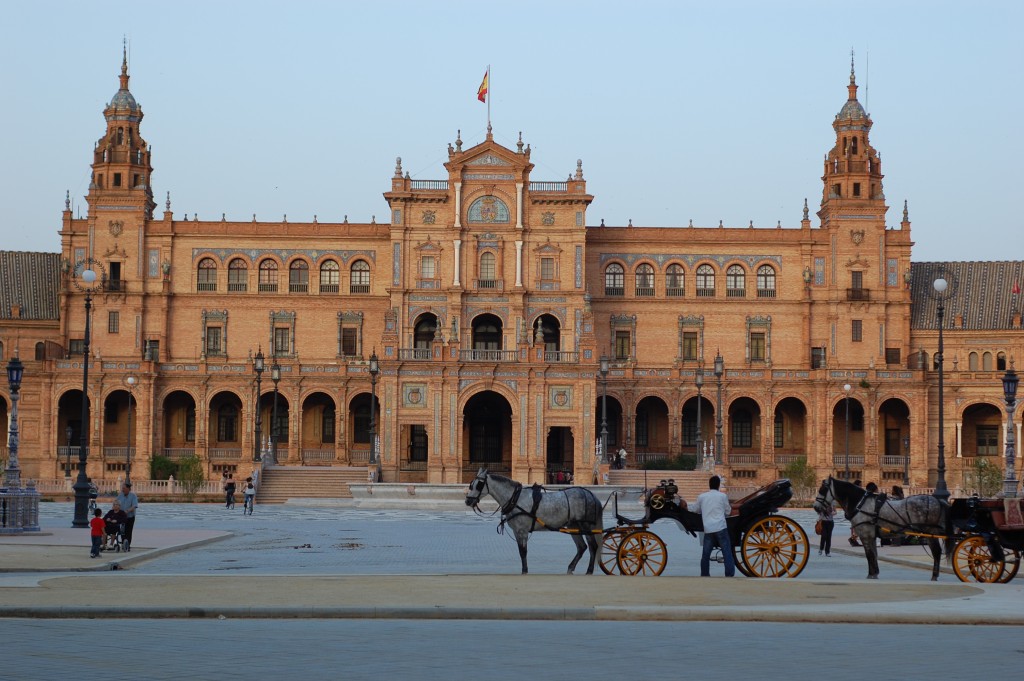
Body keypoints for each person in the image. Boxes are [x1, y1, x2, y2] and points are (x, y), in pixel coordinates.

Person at [691, 475, 735, 577]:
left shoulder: (702, 497)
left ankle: (705, 574)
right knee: (727, 552)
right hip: (721, 527)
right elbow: (728, 512)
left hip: (708, 528)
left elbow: (695, 510)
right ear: (719, 485)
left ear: (709, 485)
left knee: (705, 555)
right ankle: (729, 574)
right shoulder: (722, 496)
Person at [116, 482, 139, 551]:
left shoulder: (133, 496)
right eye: (122, 488)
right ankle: (123, 543)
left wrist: (128, 510)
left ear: (128, 489)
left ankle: (128, 545)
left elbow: (134, 506)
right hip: (122, 517)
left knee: (129, 531)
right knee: (122, 530)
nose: (122, 490)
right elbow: (116, 503)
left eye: (124, 488)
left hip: (130, 516)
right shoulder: (120, 495)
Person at [849, 478, 863, 547]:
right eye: (860, 485)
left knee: (855, 526)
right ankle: (853, 539)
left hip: (854, 512)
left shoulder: (853, 492)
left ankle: (853, 539)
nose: (861, 486)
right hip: (855, 512)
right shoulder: (856, 492)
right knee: (857, 526)